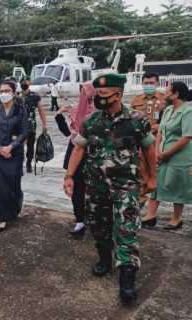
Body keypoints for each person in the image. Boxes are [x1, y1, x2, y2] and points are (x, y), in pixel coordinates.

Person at [64, 73, 157, 305]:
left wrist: (152, 178)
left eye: (104, 95)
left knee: (126, 230)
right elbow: (78, 150)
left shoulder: (137, 120)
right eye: (98, 95)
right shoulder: (92, 122)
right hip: (95, 186)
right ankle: (105, 259)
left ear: (119, 94)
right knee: (98, 225)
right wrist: (69, 175)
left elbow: (148, 150)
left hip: (125, 186)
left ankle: (127, 279)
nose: (100, 99)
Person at [142, 81, 192, 230]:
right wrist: (157, 152)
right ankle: (151, 215)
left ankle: (176, 219)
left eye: (168, 91)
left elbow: (186, 137)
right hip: (163, 154)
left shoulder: (188, 111)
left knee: (178, 186)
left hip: (179, 156)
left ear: (176, 94)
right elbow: (161, 132)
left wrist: (166, 153)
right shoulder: (169, 110)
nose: (165, 94)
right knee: (157, 184)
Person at [0, 80, 29, 232]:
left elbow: (25, 132)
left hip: (15, 153)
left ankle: (15, 206)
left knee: (13, 185)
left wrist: (11, 146)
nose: (3, 94)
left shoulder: (20, 109)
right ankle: (2, 217)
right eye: (1, 91)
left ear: (13, 92)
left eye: (7, 90)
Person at [56, 82, 96, 238]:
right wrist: (60, 115)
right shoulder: (75, 111)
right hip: (75, 154)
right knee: (77, 189)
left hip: (95, 155)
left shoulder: (101, 113)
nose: (85, 95)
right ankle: (80, 220)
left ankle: (94, 219)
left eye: (87, 92)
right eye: (82, 92)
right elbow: (67, 133)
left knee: (95, 190)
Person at [130, 73, 167, 209]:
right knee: (140, 170)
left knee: (156, 171)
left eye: (151, 83)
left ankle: (153, 204)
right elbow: (131, 119)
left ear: (157, 83)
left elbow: (169, 119)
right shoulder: (136, 99)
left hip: (157, 140)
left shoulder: (164, 99)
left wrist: (157, 127)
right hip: (140, 141)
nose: (148, 86)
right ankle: (140, 198)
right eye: (145, 83)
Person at [21, 78, 48, 173]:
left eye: (25, 82)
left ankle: (28, 162)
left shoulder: (34, 96)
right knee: (19, 144)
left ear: (29, 84)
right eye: (22, 82)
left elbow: (41, 110)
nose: (24, 84)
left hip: (31, 125)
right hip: (19, 125)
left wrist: (44, 124)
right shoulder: (16, 97)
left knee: (30, 145)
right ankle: (20, 162)